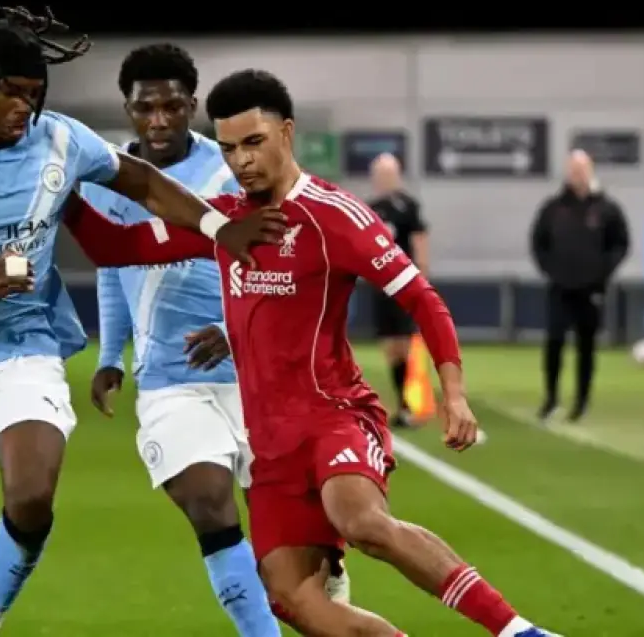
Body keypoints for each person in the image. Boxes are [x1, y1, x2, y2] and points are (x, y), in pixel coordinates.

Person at [64, 69, 560, 637]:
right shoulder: (225, 221)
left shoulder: (335, 215)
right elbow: (114, 247)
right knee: (291, 598)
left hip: (333, 414)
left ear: (287, 132)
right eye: (228, 148)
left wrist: (454, 395)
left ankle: (517, 630)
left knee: (361, 521)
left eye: (253, 142)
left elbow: (422, 299)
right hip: (269, 444)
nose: (241, 161)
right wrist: (60, 186)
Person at [0, 9, 279, 637]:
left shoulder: (59, 140)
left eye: (34, 96)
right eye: (13, 93)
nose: (25, 110)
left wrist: (220, 229)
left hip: (27, 347)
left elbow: (143, 183)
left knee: (32, 494)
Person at [81, 43, 346, 637]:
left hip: (258, 377)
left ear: (191, 106)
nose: (158, 120)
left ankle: (328, 593)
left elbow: (285, 263)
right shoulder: (108, 180)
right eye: (145, 108)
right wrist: (110, 355)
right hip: (169, 378)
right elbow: (112, 269)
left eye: (172, 107)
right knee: (207, 501)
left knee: (296, 555)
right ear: (128, 110)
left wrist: (233, 330)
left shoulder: (230, 170)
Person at [529, 150, 629, 422]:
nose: (578, 175)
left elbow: (620, 244)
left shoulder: (605, 208)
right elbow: (538, 242)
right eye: (573, 170)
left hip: (591, 289)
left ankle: (581, 401)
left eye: (582, 169)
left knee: (586, 346)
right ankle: (551, 398)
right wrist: (551, 269)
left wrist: (602, 272)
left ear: (590, 171)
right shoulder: (553, 208)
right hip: (560, 287)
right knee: (554, 341)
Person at [365, 153, 429, 428]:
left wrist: (421, 276)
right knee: (389, 345)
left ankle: (408, 403)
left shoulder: (408, 206)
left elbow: (420, 239)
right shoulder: (370, 209)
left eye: (388, 174)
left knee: (405, 343)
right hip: (381, 285)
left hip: (403, 282)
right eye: (380, 174)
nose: (384, 179)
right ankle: (402, 402)